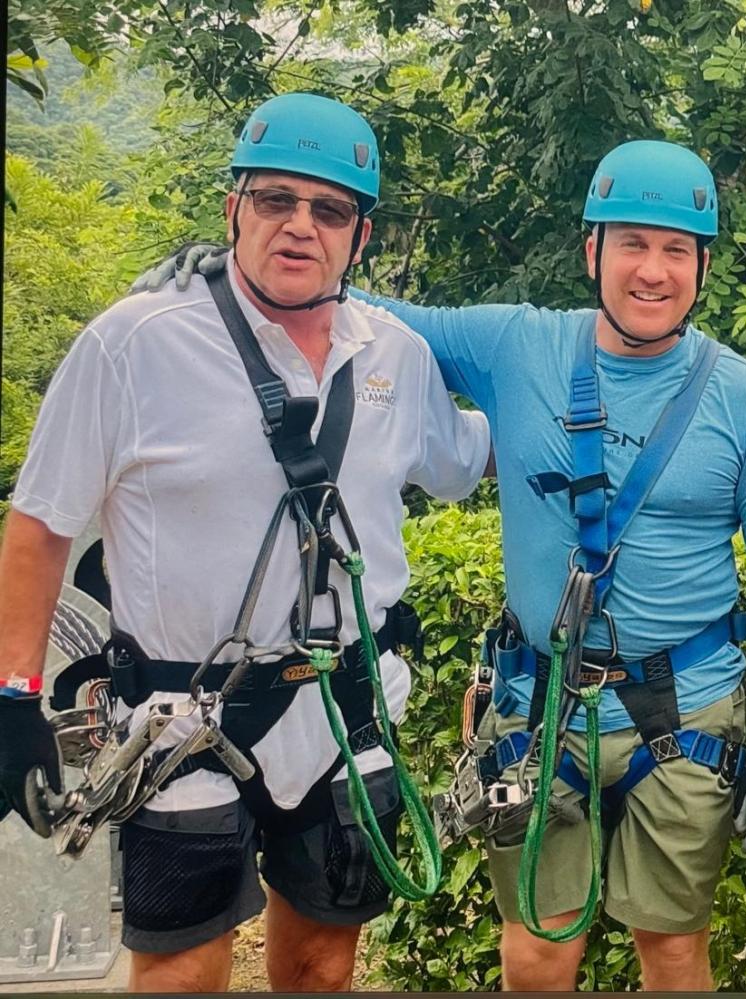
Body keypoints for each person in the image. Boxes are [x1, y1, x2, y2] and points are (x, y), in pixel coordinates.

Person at [151, 138, 746, 989]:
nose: (652, 271)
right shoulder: (517, 345)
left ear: (701, 266)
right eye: (631, 245)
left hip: (683, 707)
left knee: (676, 946)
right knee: (538, 952)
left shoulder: (745, 396)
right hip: (538, 706)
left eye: (675, 250)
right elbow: (363, 311)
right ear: (593, 252)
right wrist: (229, 281)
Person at [0, 92, 491, 991]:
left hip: (342, 708)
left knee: (321, 967)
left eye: (329, 209)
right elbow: (38, 524)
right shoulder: (135, 342)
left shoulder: (398, 357)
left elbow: (466, 460)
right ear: (233, 208)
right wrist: (11, 697)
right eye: (275, 200)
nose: (300, 226)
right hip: (177, 716)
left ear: (360, 236)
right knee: (181, 972)